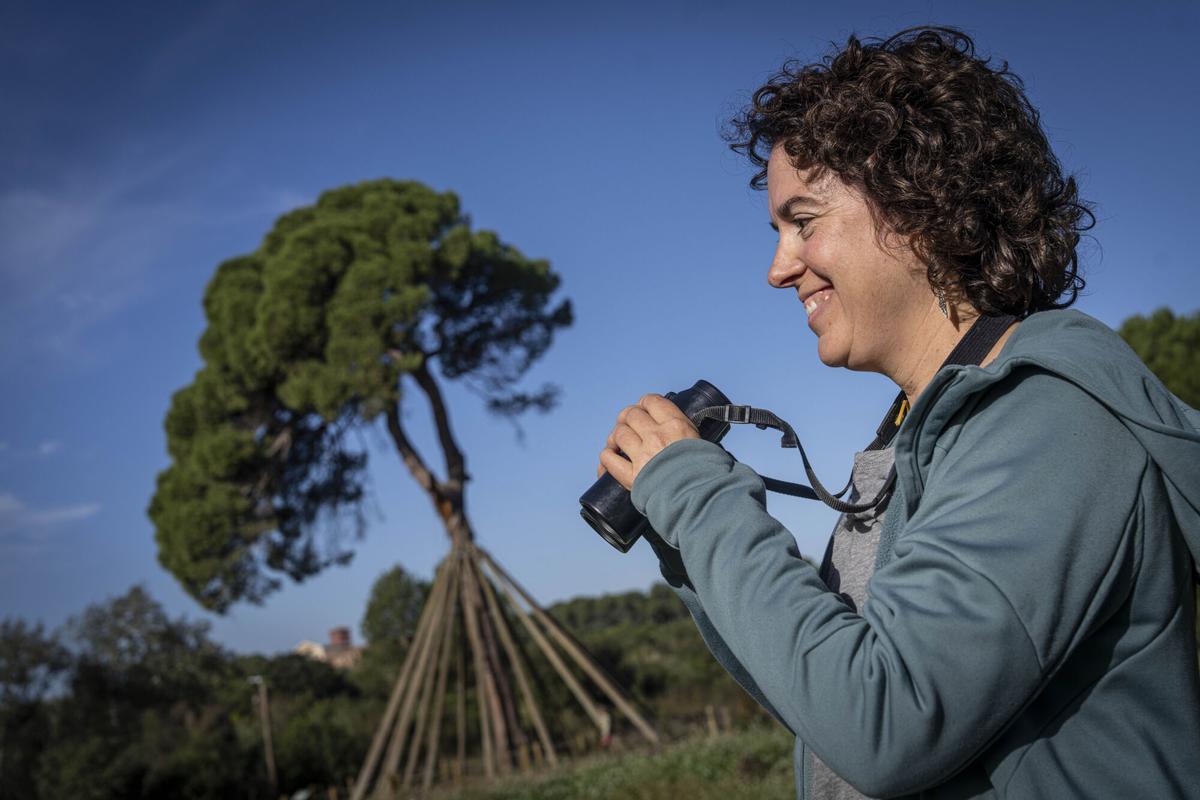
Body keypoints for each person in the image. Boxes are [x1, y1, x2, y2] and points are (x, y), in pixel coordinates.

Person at [597, 27, 1200, 799]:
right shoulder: (911, 438)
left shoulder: (1046, 420)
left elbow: (885, 726)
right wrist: (683, 538)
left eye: (803, 222)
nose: (778, 269)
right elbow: (818, 701)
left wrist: (699, 497)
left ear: (918, 206)